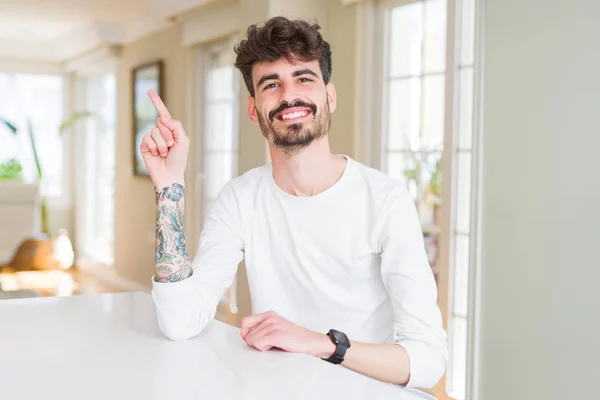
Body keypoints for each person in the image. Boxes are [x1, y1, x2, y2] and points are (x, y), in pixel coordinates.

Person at [141, 16, 447, 389]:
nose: (289, 95)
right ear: (253, 110)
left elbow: (429, 360)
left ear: (329, 96)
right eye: (272, 84)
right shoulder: (239, 199)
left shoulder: (385, 200)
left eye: (304, 78)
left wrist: (321, 344)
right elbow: (180, 321)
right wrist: (169, 186)